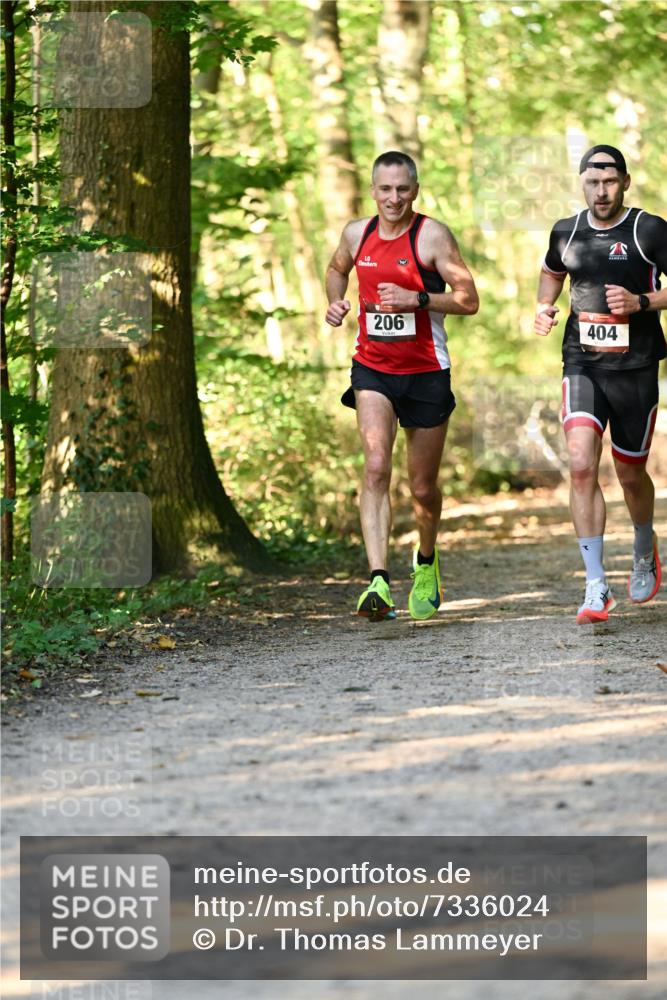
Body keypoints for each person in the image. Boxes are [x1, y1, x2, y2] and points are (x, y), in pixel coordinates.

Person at [325, 151, 479, 621]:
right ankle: (378, 580)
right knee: (375, 466)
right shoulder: (357, 233)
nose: (394, 198)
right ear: (373, 190)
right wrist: (336, 301)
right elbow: (336, 269)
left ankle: (426, 560)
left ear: (415, 190)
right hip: (373, 368)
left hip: (427, 371)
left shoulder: (432, 236)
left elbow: (469, 300)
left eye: (403, 189)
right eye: (386, 189)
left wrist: (418, 299)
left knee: (422, 488)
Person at [535, 144, 667, 623]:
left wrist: (643, 302)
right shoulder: (566, 231)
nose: (601, 191)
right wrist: (543, 307)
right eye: (592, 182)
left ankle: (643, 544)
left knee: (630, 474)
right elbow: (551, 272)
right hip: (582, 364)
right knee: (579, 465)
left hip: (635, 369)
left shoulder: (648, 230)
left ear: (625, 182)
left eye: (610, 181)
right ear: (582, 183)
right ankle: (595, 586)